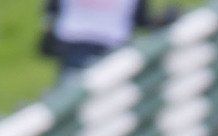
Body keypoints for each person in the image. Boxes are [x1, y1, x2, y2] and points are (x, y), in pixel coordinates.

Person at [40, 0, 174, 80]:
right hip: (111, 46)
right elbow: (141, 19)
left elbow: (52, 10)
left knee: (69, 94)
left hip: (73, 44)